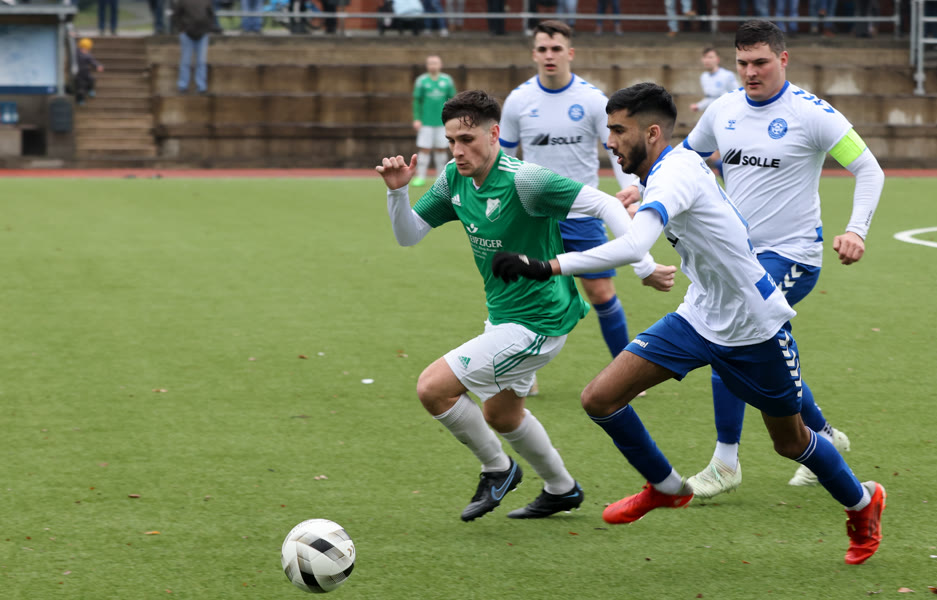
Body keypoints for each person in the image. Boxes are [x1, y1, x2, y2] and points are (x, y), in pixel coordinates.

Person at [491, 81, 885, 566]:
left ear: (652, 133)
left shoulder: (674, 174)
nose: (609, 141)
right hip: (699, 316)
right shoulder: (669, 168)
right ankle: (664, 486)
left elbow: (635, 244)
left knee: (792, 442)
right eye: (609, 130)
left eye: (619, 131)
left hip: (754, 327)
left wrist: (547, 265)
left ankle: (863, 504)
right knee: (599, 398)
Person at [375, 89, 675, 522]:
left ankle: (497, 468)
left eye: (467, 140)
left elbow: (608, 204)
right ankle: (562, 489)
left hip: (540, 321)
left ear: (494, 134)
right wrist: (397, 193)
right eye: (452, 141)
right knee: (502, 413)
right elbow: (408, 235)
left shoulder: (526, 181)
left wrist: (644, 266)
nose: (457, 151)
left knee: (433, 388)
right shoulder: (453, 179)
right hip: (503, 317)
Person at [681, 20, 884, 498]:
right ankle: (823, 437)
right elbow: (687, 159)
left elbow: (868, 168)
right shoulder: (722, 109)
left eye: (761, 62)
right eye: (743, 63)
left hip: (792, 256)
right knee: (766, 354)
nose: (751, 72)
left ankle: (725, 462)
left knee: (728, 334)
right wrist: (642, 187)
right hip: (735, 258)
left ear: (783, 59)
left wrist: (856, 229)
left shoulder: (811, 114)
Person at [500, 20, 643, 376]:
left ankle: (625, 374)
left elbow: (617, 150)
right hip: (534, 217)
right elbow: (503, 160)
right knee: (526, 297)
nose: (550, 55)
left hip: (582, 214)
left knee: (601, 294)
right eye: (543, 49)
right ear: (534, 54)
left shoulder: (592, 100)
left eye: (556, 49)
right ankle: (522, 376)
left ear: (570, 53)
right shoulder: (518, 101)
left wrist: (633, 191)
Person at [411, 55, 457, 187]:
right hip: (426, 121)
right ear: (427, 65)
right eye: (430, 63)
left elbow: (453, 100)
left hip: (443, 122)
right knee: (424, 149)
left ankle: (441, 178)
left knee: (441, 149)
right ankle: (420, 177)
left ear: (440, 65)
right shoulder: (421, 81)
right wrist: (416, 118)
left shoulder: (447, 80)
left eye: (435, 63)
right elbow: (417, 101)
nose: (433, 66)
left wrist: (452, 117)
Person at [173, 0, 216, 95]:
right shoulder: (183, 1)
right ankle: (182, 86)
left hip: (202, 34)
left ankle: (201, 86)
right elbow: (176, 15)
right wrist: (181, 29)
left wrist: (208, 29)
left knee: (201, 62)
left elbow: (211, 15)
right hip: (187, 34)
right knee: (185, 61)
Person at [690, 47, 739, 114]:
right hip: (712, 113)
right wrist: (698, 106)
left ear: (717, 59)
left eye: (710, 57)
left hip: (726, 112)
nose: (707, 60)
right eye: (705, 57)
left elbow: (737, 95)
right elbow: (709, 98)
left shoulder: (727, 75)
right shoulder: (704, 77)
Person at [75, 38, 104, 106]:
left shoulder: (88, 54)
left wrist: (98, 66)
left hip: (86, 72)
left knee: (91, 80)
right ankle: (80, 100)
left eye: (86, 48)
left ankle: (90, 90)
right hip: (78, 73)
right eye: (83, 48)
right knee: (80, 88)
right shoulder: (76, 53)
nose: (85, 50)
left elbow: (92, 61)